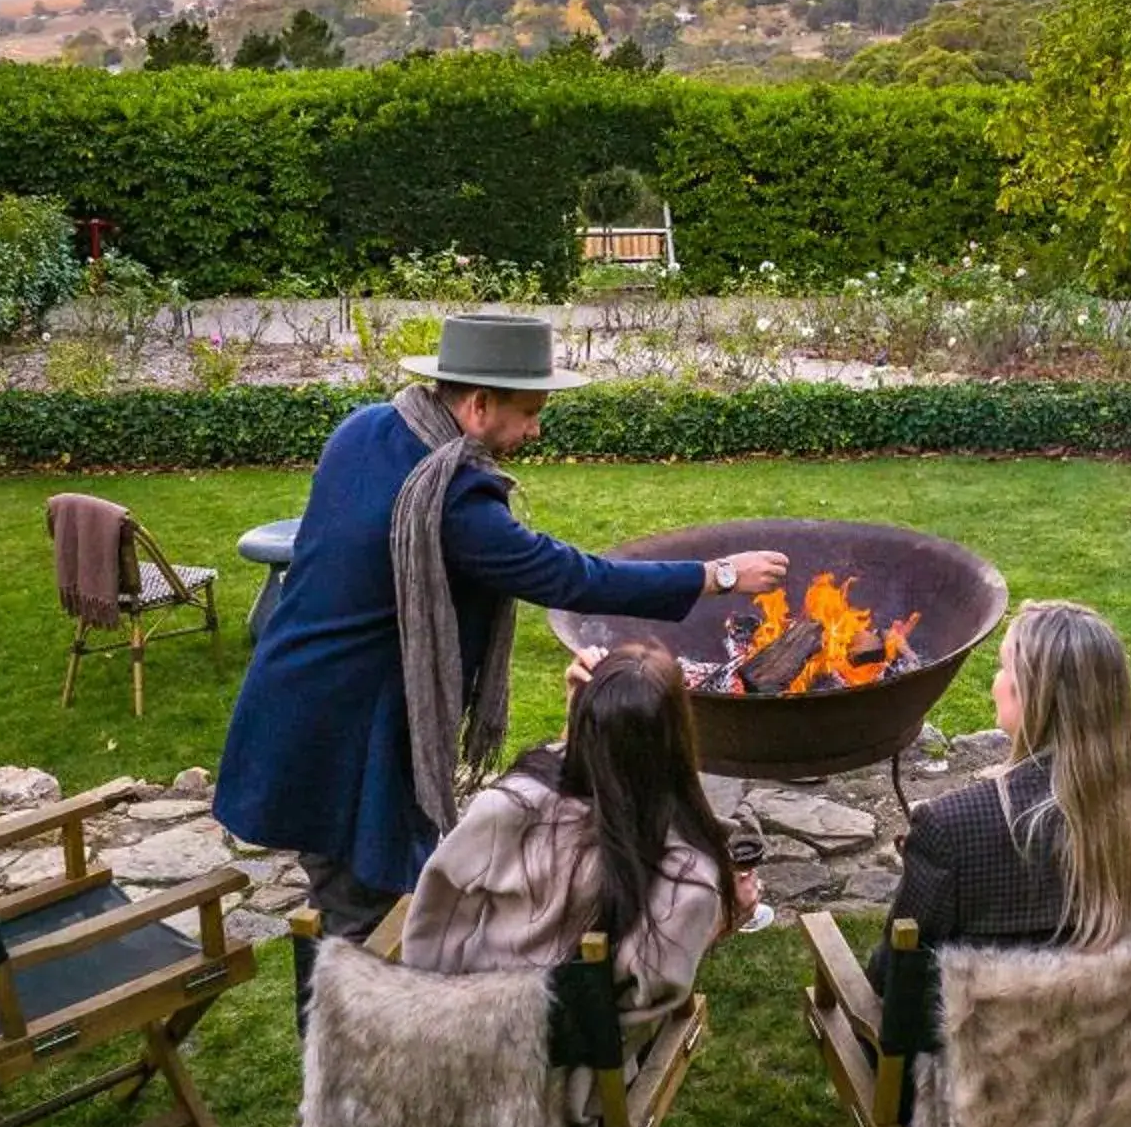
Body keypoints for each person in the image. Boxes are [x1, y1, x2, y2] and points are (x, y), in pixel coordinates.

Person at [212, 311, 785, 1013]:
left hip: (291, 697)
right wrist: (717, 576)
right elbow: (572, 578)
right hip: (348, 734)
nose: (536, 430)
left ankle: (379, 1033)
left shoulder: (367, 429)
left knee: (361, 886)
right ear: (478, 405)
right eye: (529, 412)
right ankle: (348, 1066)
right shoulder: (455, 501)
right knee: (354, 921)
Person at [398, 641, 752, 1127]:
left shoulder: (509, 807)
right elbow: (646, 1000)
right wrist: (721, 921)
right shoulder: (688, 876)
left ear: (582, 724)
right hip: (556, 1102)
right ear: (678, 734)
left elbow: (432, 920)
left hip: (457, 1057)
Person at [870, 599, 1131, 1016]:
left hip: (978, 1076)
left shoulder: (952, 827)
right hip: (1112, 1067)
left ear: (1033, 695)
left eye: (1004, 668)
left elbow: (892, 976)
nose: (995, 681)